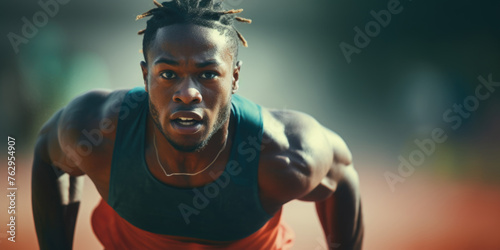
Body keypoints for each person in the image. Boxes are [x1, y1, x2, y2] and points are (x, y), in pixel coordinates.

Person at [31, 1, 363, 249]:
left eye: (207, 74)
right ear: (146, 76)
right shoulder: (97, 132)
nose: (188, 93)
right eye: (168, 74)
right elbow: (48, 154)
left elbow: (343, 171)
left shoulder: (285, 155)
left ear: (234, 78)